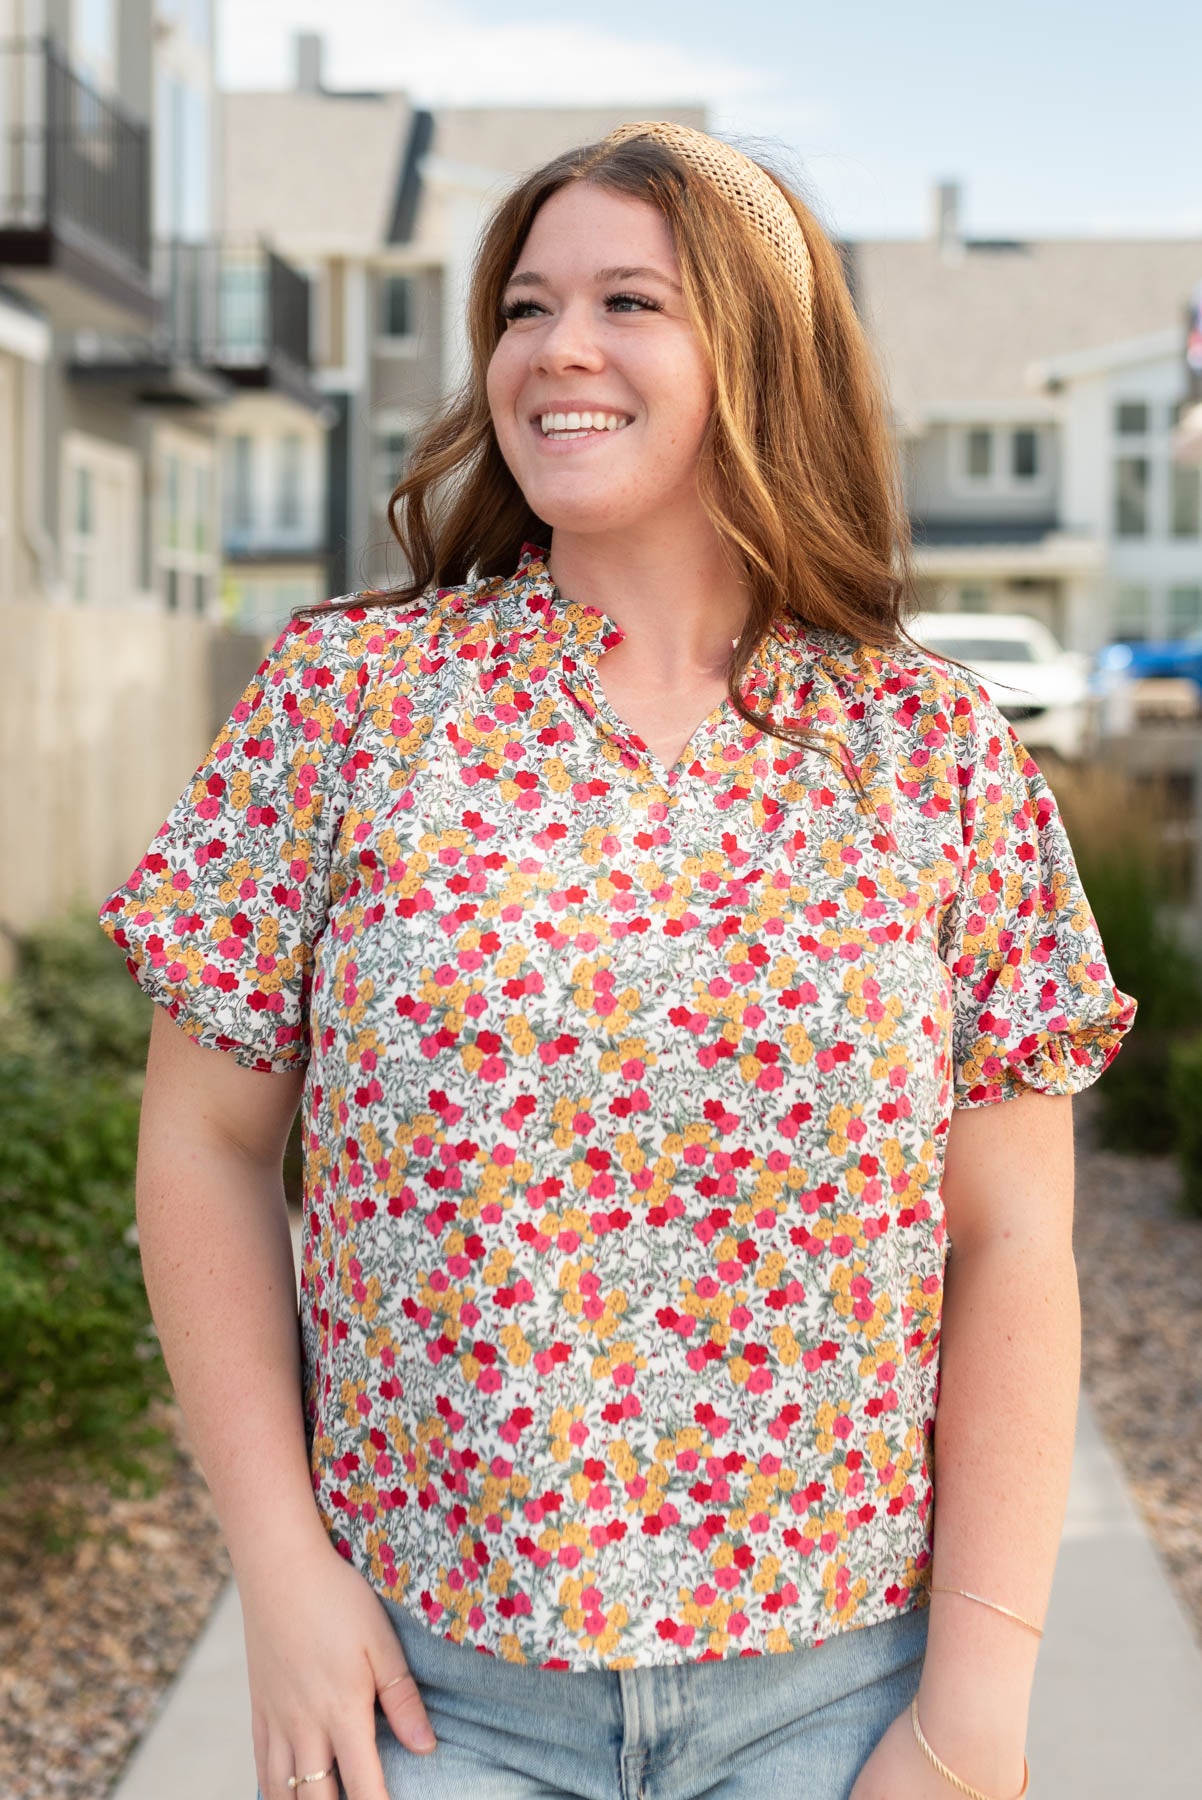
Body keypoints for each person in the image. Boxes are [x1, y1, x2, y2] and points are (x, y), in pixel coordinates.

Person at [97, 121, 1137, 1800]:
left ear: (758, 352)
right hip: (429, 1694)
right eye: (522, 305)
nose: (556, 349)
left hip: (838, 1694)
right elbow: (206, 1148)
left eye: (628, 301)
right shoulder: (348, 706)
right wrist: (282, 1578)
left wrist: (973, 1714)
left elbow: (1012, 1239)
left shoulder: (925, 750)